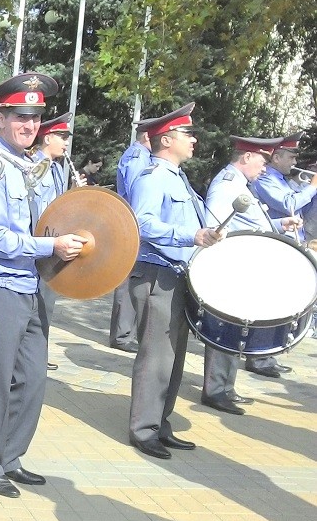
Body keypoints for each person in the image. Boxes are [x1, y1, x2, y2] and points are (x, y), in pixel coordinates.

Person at [0, 75, 86, 499]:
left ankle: (10, 457)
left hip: (32, 286)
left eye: (35, 117)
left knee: (32, 379)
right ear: (0, 117)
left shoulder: (36, 167)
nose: (29, 124)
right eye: (20, 116)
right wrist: (50, 245)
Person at [126, 103, 222, 459]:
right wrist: (191, 236)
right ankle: (143, 429)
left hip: (176, 276)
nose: (194, 140)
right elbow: (142, 223)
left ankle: (160, 423)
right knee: (156, 357)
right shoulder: (153, 178)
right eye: (188, 134)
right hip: (156, 274)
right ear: (167, 139)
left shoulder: (177, 178)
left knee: (175, 357)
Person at [200, 136, 301, 415]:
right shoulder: (226, 186)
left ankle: (225, 387)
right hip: (230, 265)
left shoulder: (239, 183)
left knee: (235, 328)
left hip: (242, 265)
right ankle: (216, 390)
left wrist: (280, 224)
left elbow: (249, 222)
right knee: (224, 329)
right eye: (262, 161)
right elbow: (215, 228)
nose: (265, 168)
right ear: (246, 158)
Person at [245, 132, 310, 378]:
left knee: (279, 303)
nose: (295, 161)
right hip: (272, 248)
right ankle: (259, 356)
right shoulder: (265, 179)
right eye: (291, 156)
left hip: (288, 246)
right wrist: (312, 188)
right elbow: (287, 204)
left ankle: (268, 354)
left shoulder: (285, 179)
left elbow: (301, 206)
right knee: (268, 303)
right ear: (277, 156)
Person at [31, 112, 80, 372]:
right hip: (40, 245)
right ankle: (35, 352)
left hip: (53, 246)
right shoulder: (35, 166)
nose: (65, 142)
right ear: (47, 137)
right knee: (38, 304)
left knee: (46, 305)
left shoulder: (58, 168)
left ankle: (40, 350)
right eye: (61, 136)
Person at [109, 126, 152, 353]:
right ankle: (122, 335)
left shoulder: (142, 156)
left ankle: (124, 333)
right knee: (127, 280)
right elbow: (137, 194)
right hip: (131, 226)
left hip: (132, 225)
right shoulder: (137, 158)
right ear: (146, 136)